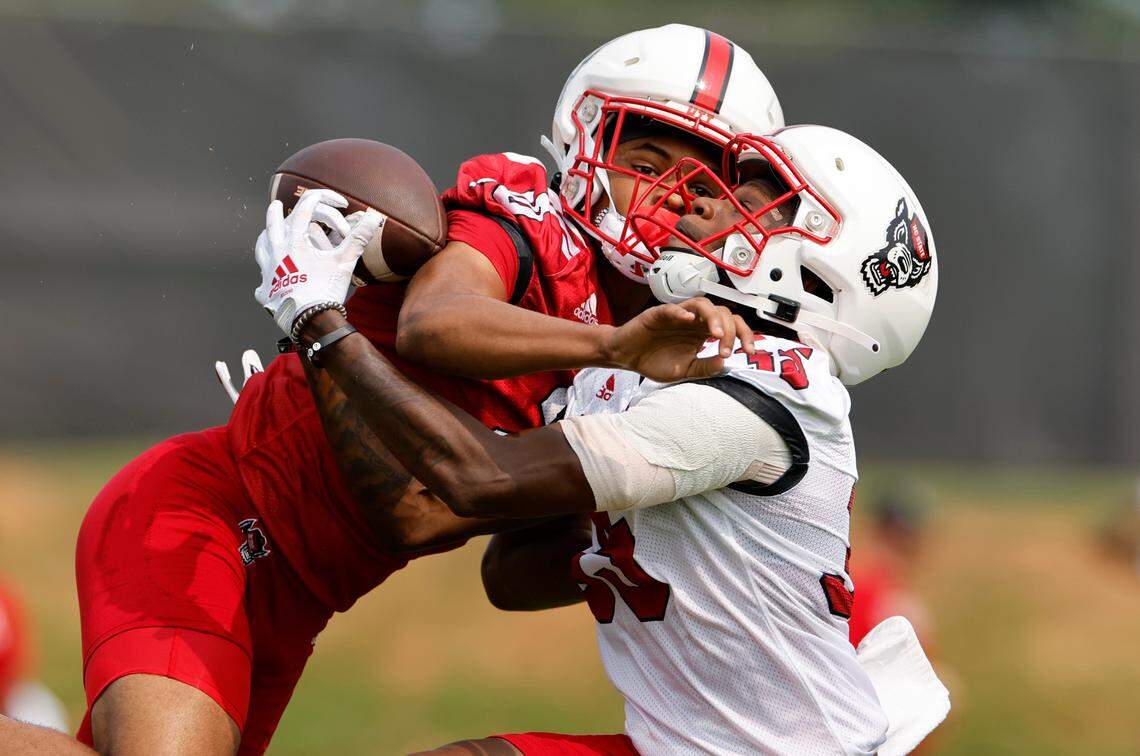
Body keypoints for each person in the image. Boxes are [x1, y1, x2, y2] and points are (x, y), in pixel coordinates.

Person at [72, 24, 783, 755]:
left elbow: (507, 573)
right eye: (648, 162)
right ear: (588, 145)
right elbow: (436, 323)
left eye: (700, 185)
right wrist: (612, 349)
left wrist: (633, 546)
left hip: (303, 598)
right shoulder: (535, 231)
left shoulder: (679, 358)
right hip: (205, 516)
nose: (670, 198)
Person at [269, 126, 949, 755]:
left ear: (819, 272)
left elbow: (479, 479)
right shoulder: (673, 364)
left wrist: (322, 324)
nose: (702, 206)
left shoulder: (769, 395)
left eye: (745, 203)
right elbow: (502, 570)